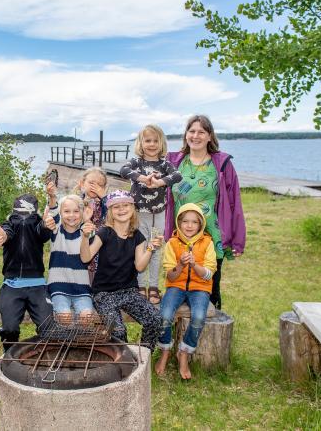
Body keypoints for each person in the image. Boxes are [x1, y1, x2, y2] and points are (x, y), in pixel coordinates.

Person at [164, 115, 245, 310]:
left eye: (201, 132)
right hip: (181, 236)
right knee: (178, 287)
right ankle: (179, 335)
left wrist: (237, 239)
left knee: (209, 290)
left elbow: (235, 203)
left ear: (210, 136)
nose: (196, 135)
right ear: (186, 135)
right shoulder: (174, 162)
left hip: (211, 236)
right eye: (192, 131)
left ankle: (210, 336)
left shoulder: (221, 164)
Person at [79, 190, 163, 350]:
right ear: (110, 211)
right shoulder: (104, 232)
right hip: (104, 294)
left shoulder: (138, 236)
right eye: (116, 207)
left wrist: (150, 249)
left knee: (155, 319)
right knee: (118, 331)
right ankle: (122, 361)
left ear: (132, 209)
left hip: (129, 291)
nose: (122, 209)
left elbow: (140, 266)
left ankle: (143, 357)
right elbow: (85, 257)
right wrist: (84, 237)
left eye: (126, 205)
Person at [120, 124, 183, 305]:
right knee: (139, 248)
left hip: (158, 215)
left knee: (155, 249)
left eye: (156, 140)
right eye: (148, 140)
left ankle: (153, 287)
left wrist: (159, 183)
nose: (152, 144)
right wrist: (143, 178)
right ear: (141, 142)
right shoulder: (136, 163)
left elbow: (177, 176)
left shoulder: (164, 164)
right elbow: (124, 171)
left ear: (161, 143)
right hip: (139, 214)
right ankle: (139, 286)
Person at [154, 204, 216, 380]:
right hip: (176, 286)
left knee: (198, 317)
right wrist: (181, 264)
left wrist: (194, 264)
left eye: (194, 222)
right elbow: (171, 277)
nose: (189, 226)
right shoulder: (172, 243)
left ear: (201, 224)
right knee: (164, 315)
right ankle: (165, 350)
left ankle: (184, 352)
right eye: (185, 221)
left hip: (200, 288)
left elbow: (208, 274)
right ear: (178, 223)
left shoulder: (207, 243)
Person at [0, 194, 54, 351]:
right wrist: (3, 236)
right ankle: (9, 357)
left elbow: (43, 233)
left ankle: (38, 355)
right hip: (12, 285)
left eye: (27, 215)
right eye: (18, 215)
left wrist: (46, 225)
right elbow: (7, 232)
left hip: (38, 286)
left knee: (49, 328)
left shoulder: (38, 224)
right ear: (14, 212)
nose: (23, 219)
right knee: (10, 329)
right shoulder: (10, 224)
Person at [45, 194, 94, 324]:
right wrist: (52, 197)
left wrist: (85, 234)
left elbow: (86, 258)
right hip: (59, 287)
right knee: (65, 317)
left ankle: (77, 342)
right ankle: (63, 341)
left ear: (82, 213)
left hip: (82, 289)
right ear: (61, 213)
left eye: (76, 211)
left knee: (87, 317)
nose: (71, 215)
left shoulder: (87, 232)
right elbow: (53, 213)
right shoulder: (56, 231)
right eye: (66, 211)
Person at [74, 167, 108, 283]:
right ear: (82, 183)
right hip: (79, 245)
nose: (94, 187)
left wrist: (104, 198)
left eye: (99, 185)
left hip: (99, 248)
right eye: (91, 183)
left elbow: (113, 217)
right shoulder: (76, 200)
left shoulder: (106, 203)